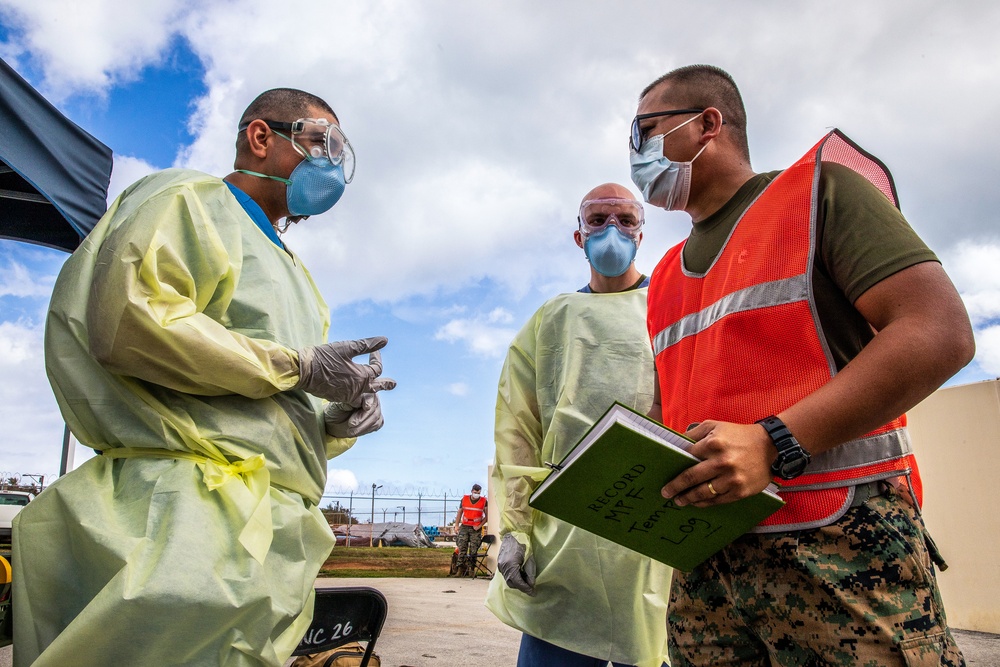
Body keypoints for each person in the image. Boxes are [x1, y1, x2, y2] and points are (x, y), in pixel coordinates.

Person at [12, 88, 395, 667]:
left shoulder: (296, 276)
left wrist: (334, 421)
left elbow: (269, 402)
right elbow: (131, 323)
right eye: (321, 142)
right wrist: (296, 366)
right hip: (182, 518)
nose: (332, 165)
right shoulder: (191, 200)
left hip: (270, 527)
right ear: (261, 138)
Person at [629, 64, 973, 666]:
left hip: (840, 548)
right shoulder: (662, 279)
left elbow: (938, 332)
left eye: (646, 132)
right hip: (707, 570)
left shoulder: (818, 194)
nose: (638, 154)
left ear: (708, 124)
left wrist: (773, 441)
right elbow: (671, 406)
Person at [487, 184, 672, 667]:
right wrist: (514, 529)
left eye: (626, 219)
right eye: (598, 219)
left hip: (652, 529)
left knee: (653, 648)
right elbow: (517, 433)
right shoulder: (551, 320)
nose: (612, 229)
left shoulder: (671, 310)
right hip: (565, 542)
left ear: (641, 232)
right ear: (578, 235)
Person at [452, 483, 487, 576]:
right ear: (472, 491)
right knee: (462, 547)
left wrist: (479, 526)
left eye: (478, 493)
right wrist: (456, 525)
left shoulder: (484, 501)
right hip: (465, 526)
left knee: (474, 549)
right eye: (475, 492)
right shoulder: (465, 499)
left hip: (475, 528)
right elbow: (460, 512)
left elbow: (487, 516)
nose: (476, 495)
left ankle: (472, 569)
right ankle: (459, 569)